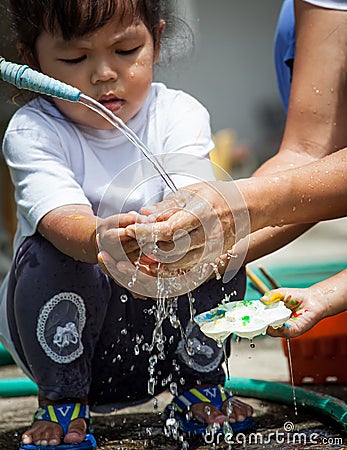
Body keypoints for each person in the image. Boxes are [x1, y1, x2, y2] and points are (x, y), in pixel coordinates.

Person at [0, 1, 253, 449]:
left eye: (127, 50)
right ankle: (62, 399)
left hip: (159, 338)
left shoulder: (180, 113)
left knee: (218, 240)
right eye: (75, 59)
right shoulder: (33, 130)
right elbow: (61, 216)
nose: (103, 74)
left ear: (155, 40)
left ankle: (199, 380)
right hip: (65, 339)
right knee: (50, 249)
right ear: (31, 62)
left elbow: (195, 191)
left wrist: (179, 224)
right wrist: (101, 239)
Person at [118, 0, 347, 272]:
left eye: (126, 50)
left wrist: (241, 202)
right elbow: (308, 154)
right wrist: (197, 260)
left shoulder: (178, 111)